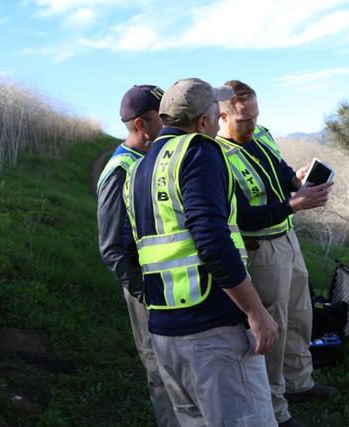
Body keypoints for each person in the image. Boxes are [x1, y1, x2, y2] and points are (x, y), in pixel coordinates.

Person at [123, 78, 279, 427]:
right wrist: (255, 312)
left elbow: (132, 251)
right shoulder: (198, 150)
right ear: (204, 122)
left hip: (165, 333)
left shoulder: (136, 170)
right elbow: (211, 240)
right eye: (214, 109)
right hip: (213, 334)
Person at [217, 80, 338, 427]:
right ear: (222, 116)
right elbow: (238, 216)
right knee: (274, 327)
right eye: (244, 121)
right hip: (261, 251)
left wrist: (297, 181)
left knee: (301, 316)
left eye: (256, 117)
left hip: (288, 240)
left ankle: (300, 383)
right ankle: (275, 409)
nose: (253, 126)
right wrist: (293, 204)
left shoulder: (262, 134)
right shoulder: (216, 156)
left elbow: (281, 173)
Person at [96, 84, 178, 427]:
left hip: (172, 288)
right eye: (163, 118)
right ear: (142, 125)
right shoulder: (119, 172)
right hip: (147, 291)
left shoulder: (152, 158)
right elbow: (112, 249)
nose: (170, 124)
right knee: (160, 369)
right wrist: (145, 292)